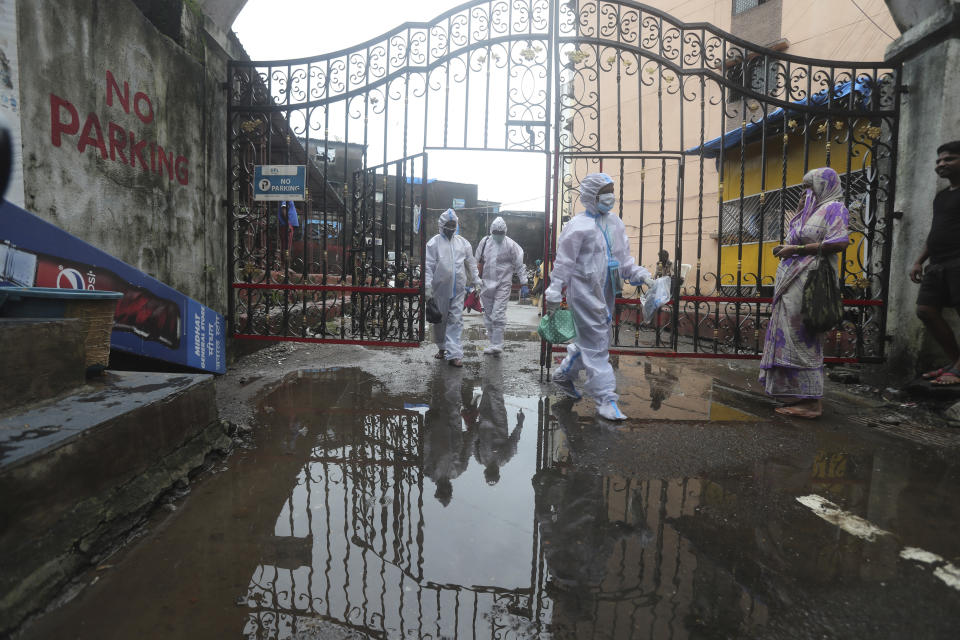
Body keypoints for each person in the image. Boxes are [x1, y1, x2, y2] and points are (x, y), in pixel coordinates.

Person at [544, 173, 652, 421]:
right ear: (591, 197)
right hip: (582, 291)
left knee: (594, 339)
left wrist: (642, 276)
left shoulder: (615, 224)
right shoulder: (577, 226)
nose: (610, 198)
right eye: (605, 194)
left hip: (607, 290)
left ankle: (564, 374)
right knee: (598, 344)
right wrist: (554, 289)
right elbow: (563, 263)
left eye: (612, 193)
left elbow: (624, 261)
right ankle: (606, 399)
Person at [760, 167, 850, 418]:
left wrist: (797, 249)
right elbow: (796, 236)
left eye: (811, 186)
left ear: (826, 185)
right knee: (788, 337)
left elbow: (840, 242)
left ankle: (812, 402)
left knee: (803, 339)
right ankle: (794, 394)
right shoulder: (811, 210)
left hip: (810, 282)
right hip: (792, 283)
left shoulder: (835, 208)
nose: (807, 192)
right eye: (804, 187)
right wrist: (800, 209)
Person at [911, 141, 960, 385]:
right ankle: (955, 362)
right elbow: (936, 231)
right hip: (937, 263)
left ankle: (958, 368)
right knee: (926, 310)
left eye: (949, 159)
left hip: (958, 262)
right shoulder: (941, 197)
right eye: (939, 161)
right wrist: (919, 261)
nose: (941, 164)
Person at [425, 209, 482, 367]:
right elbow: (428, 266)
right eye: (448, 225)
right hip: (439, 290)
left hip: (458, 289)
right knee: (440, 321)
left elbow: (471, 263)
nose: (451, 228)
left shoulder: (463, 243)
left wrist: (477, 280)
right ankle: (442, 348)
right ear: (441, 225)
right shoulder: (433, 243)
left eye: (453, 225)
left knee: (456, 320)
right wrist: (427, 287)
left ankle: (454, 354)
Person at [475, 216, 528, 355]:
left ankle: (497, 344)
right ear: (492, 231)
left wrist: (524, 283)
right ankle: (493, 343)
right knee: (488, 314)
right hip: (486, 284)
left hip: (503, 284)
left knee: (497, 313)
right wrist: (474, 281)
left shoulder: (510, 245)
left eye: (501, 233)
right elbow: (476, 261)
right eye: (496, 233)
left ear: (505, 232)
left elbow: (519, 264)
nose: (498, 236)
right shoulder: (485, 242)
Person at [473, 359, 524, 485]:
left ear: (485, 473)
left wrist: (472, 423)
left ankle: (488, 364)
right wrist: (519, 424)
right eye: (493, 473)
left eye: (489, 473)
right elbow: (513, 441)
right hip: (499, 420)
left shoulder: (481, 459)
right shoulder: (503, 459)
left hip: (483, 421)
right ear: (497, 472)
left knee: (486, 391)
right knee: (495, 393)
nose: (490, 471)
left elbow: (473, 441)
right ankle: (496, 364)